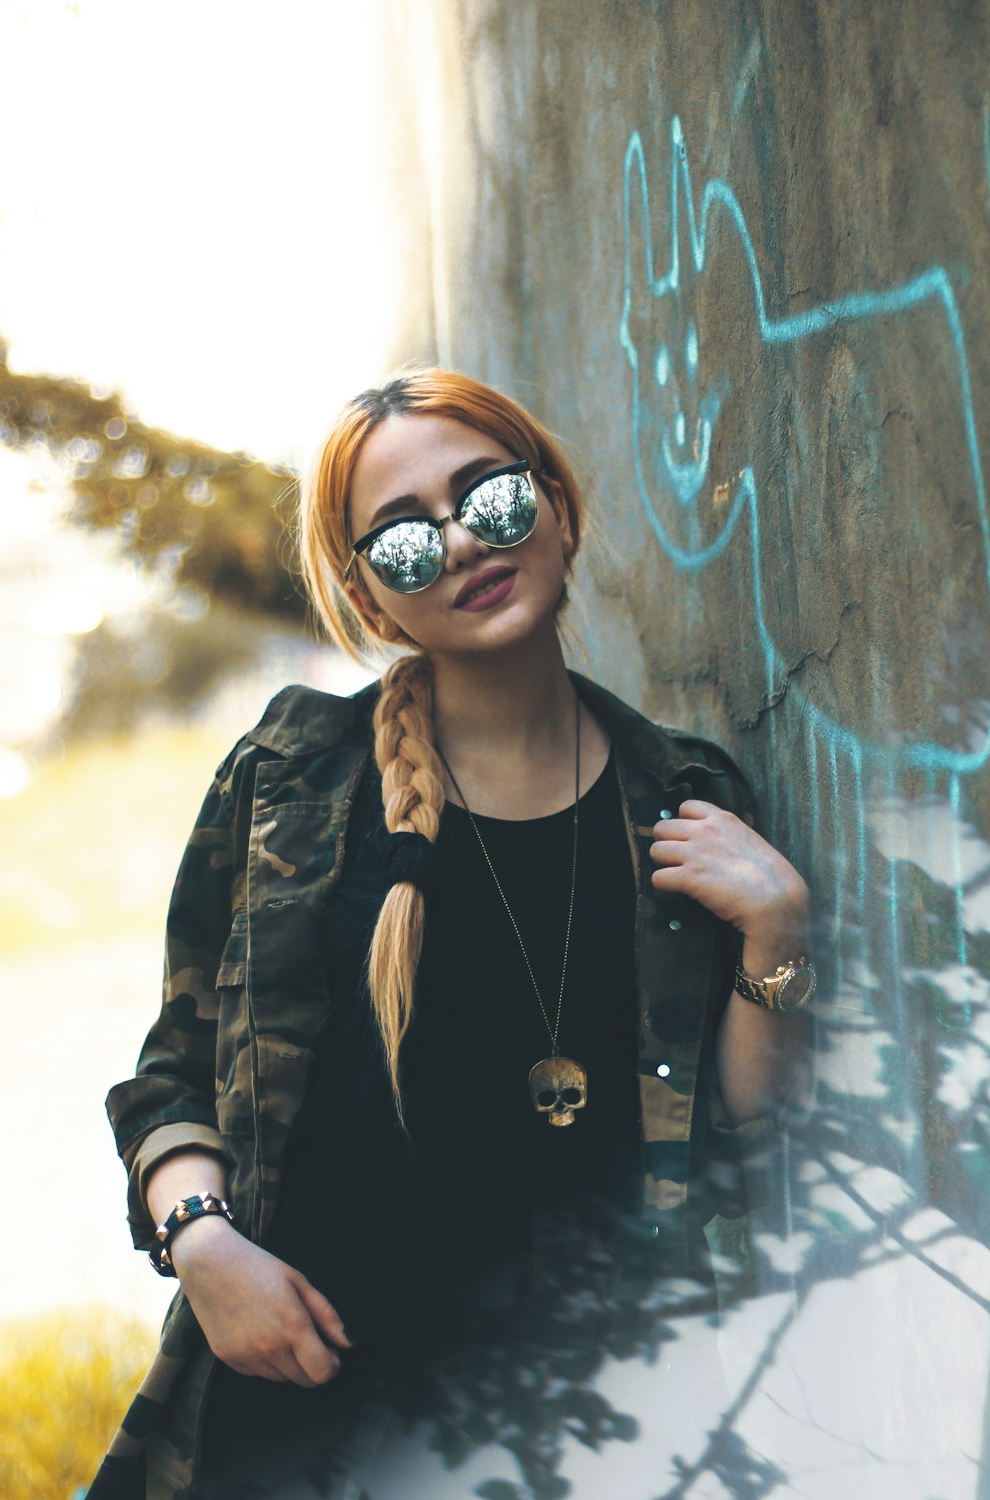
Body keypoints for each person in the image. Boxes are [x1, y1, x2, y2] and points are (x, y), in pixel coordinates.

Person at [87, 368, 812, 1500]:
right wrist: (205, 1245)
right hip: (306, 1418)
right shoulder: (291, 785)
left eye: (490, 499)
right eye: (405, 539)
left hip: (596, 1429)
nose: (464, 545)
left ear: (558, 509)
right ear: (372, 600)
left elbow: (734, 1134)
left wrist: (775, 930)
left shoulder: (680, 802)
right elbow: (175, 1069)